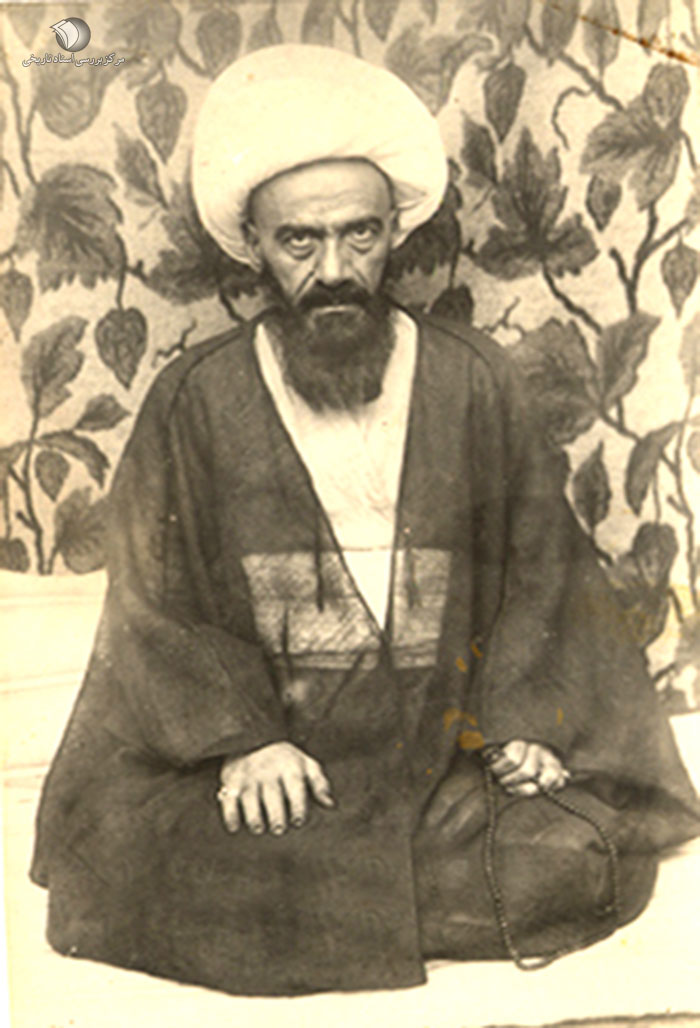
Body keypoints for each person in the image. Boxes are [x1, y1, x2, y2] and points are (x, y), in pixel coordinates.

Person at [30, 44, 700, 997]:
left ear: (395, 234)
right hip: (276, 770)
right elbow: (151, 604)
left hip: (447, 759)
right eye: (300, 242)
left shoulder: (474, 380)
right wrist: (243, 740)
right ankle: (379, 897)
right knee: (123, 860)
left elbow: (542, 568)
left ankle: (330, 909)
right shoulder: (193, 400)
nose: (335, 270)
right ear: (253, 245)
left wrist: (526, 723)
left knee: (570, 855)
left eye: (361, 236)